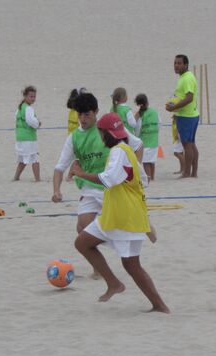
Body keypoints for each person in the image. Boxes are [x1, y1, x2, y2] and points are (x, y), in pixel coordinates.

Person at [71, 113, 169, 313]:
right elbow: (144, 181)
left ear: (105, 133)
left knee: (84, 244)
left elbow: (108, 179)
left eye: (101, 133)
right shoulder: (128, 152)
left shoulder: (117, 152)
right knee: (131, 265)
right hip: (124, 214)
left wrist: (81, 174)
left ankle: (116, 284)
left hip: (120, 217)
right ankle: (158, 305)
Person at [52, 93, 144, 277]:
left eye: (87, 114)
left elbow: (138, 145)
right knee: (82, 227)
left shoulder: (108, 129)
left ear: (96, 112)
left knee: (120, 230)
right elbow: (59, 167)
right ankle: (98, 268)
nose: (82, 119)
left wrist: (134, 174)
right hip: (89, 189)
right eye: (79, 115)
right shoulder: (74, 138)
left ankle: (139, 234)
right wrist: (56, 191)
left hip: (112, 189)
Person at [165, 54, 199, 178]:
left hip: (187, 116)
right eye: (175, 63)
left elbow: (189, 97)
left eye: (179, 63)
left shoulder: (186, 78)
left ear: (186, 65)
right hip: (189, 115)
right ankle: (193, 173)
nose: (176, 65)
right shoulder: (185, 77)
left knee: (187, 145)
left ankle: (187, 172)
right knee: (191, 144)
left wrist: (174, 107)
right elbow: (182, 96)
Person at [14, 85, 41, 181]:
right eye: (31, 96)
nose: (33, 98)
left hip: (20, 138)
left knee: (22, 159)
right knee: (35, 158)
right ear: (25, 96)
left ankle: (16, 177)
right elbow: (31, 121)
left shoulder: (20, 108)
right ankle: (37, 179)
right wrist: (38, 123)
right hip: (28, 138)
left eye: (34, 96)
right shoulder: (28, 108)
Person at [134, 93, 160, 181]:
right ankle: (152, 177)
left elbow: (136, 129)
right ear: (147, 102)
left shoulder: (139, 115)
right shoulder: (154, 112)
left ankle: (148, 178)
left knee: (146, 162)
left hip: (145, 142)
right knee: (152, 161)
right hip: (155, 140)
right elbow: (159, 124)